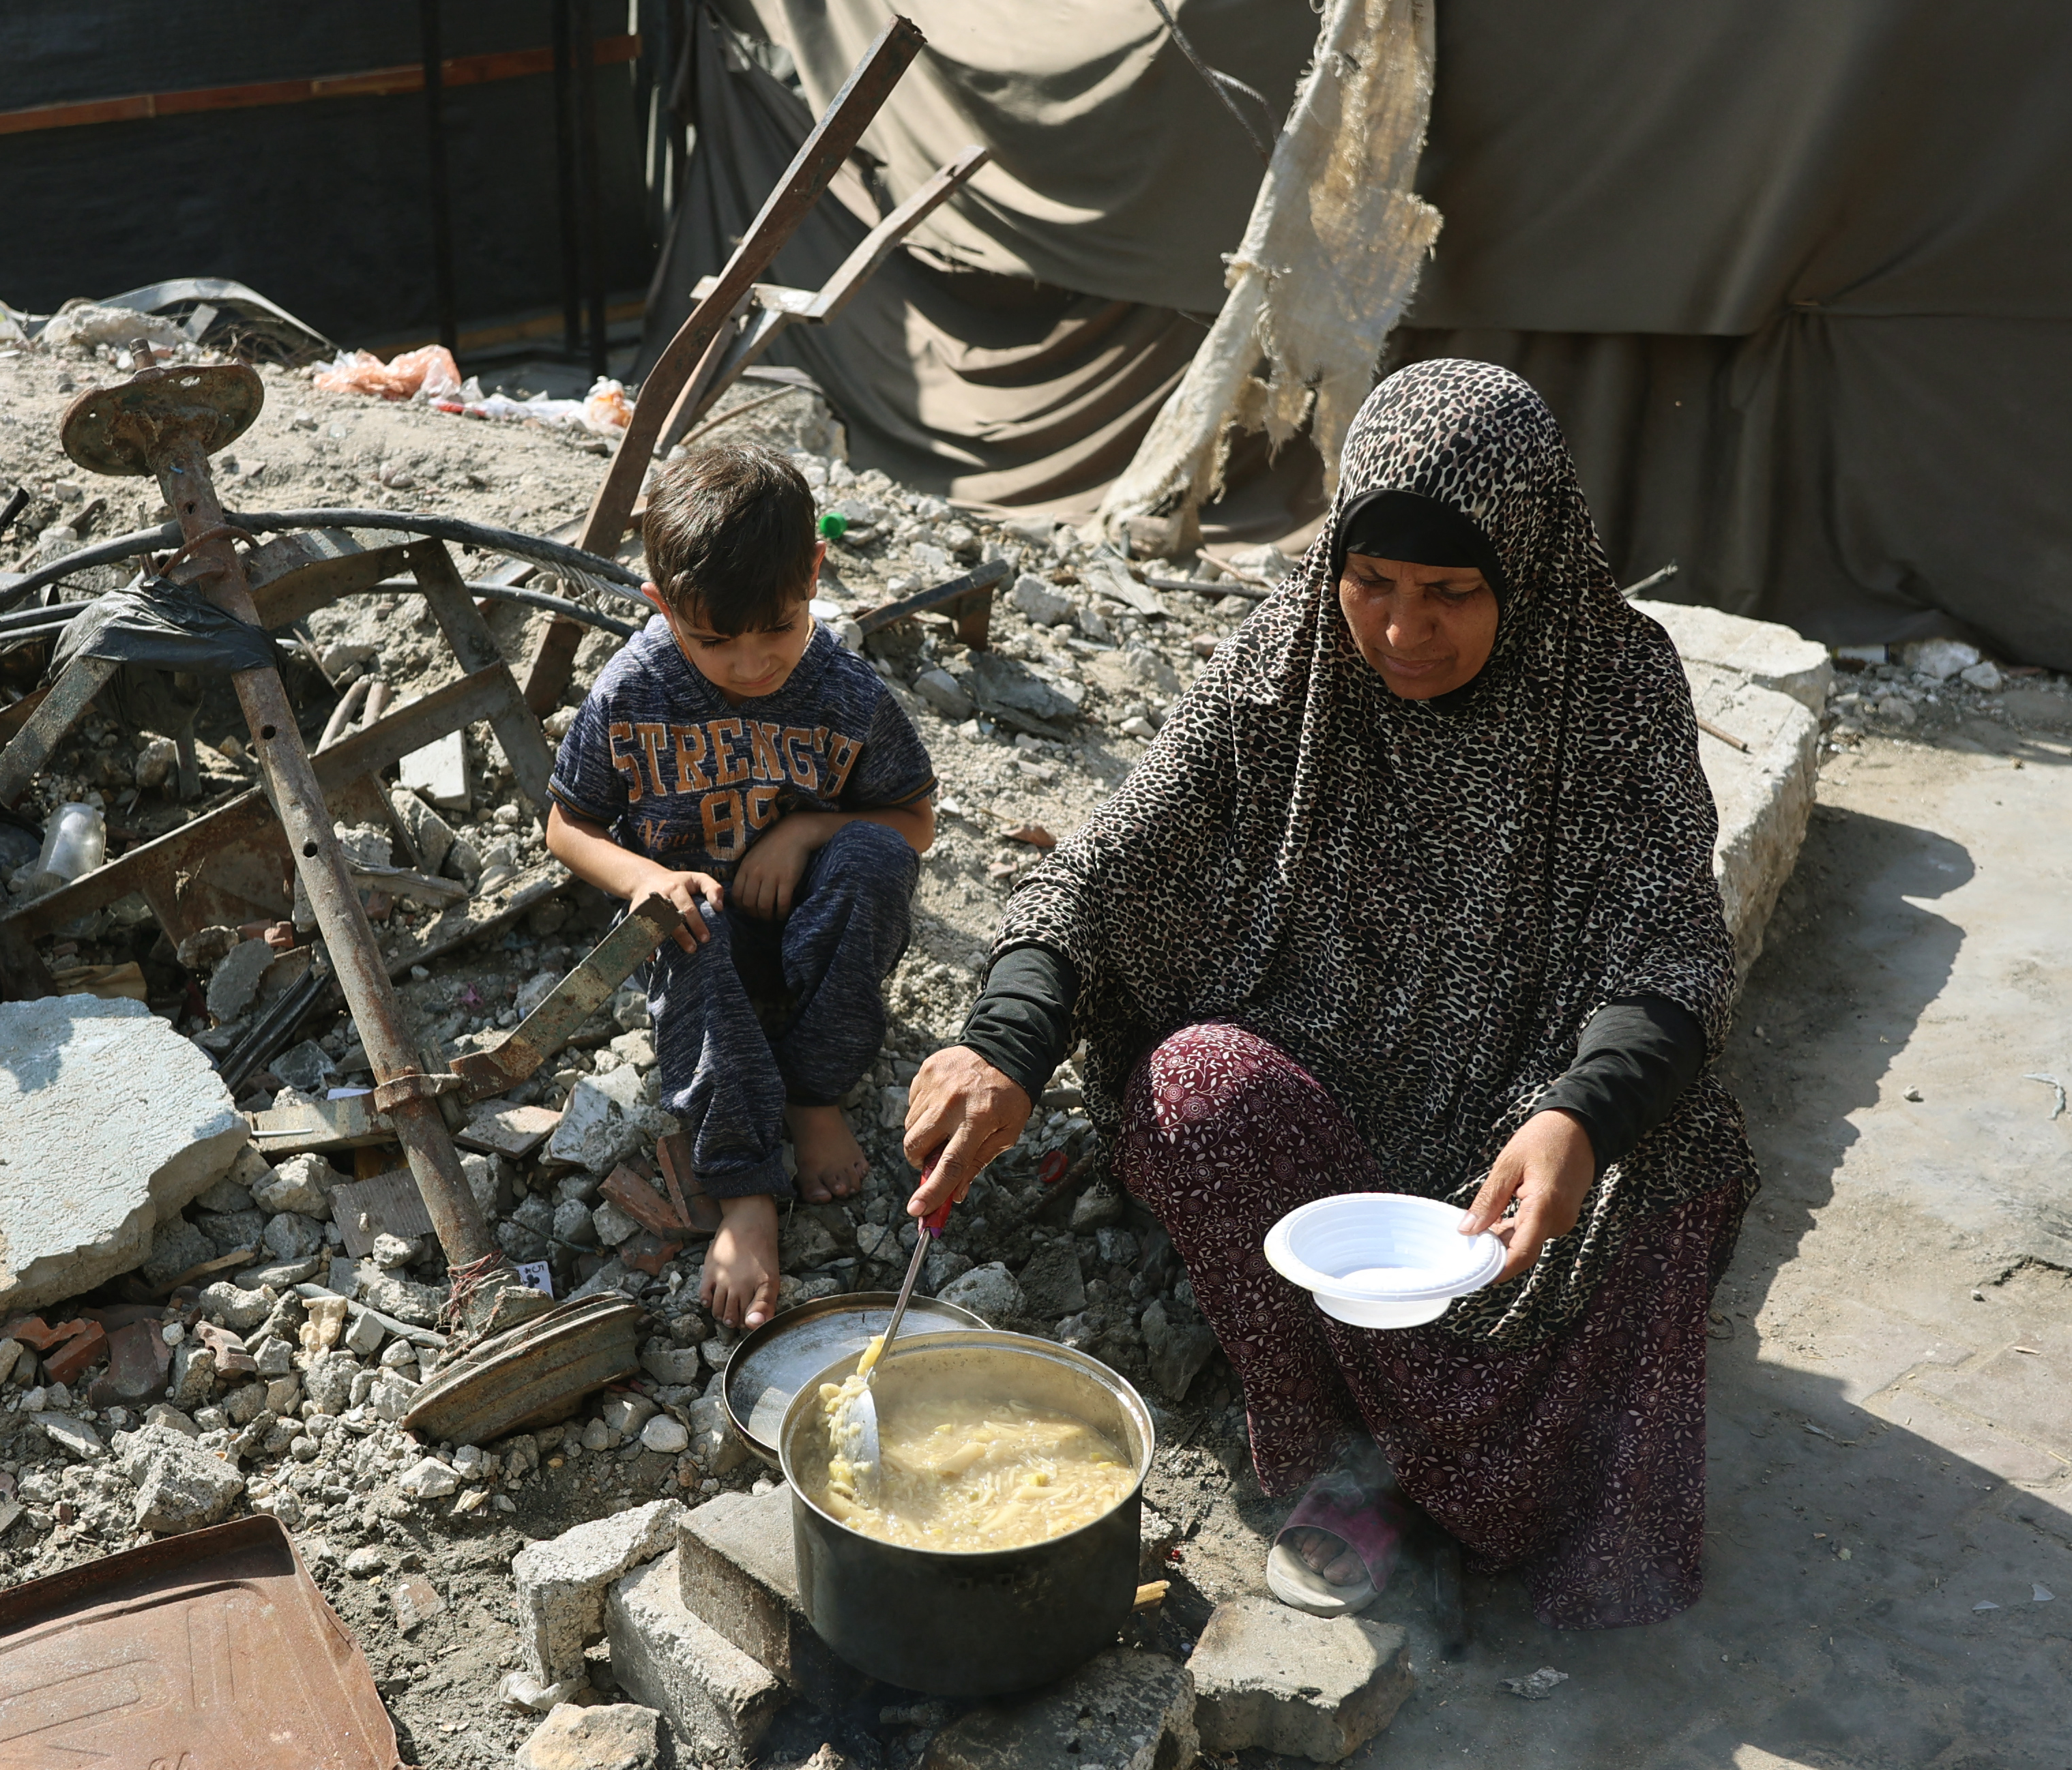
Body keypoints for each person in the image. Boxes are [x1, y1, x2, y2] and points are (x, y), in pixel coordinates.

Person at [903, 360, 1755, 1630]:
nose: (1404, 631)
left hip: (1522, 1109)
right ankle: (1340, 1468)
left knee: (1672, 1146)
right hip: (1321, 1086)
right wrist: (1003, 1041)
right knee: (1195, 1089)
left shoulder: (1613, 686)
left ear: (1522, 569)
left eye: (1453, 593)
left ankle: (1502, 1492)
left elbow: (1672, 946)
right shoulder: (1283, 664)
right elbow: (1108, 861)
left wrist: (1584, 1110)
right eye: (1375, 584)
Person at [546, 444, 937, 1333]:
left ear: (814, 574)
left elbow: (913, 823)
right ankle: (746, 1189)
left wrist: (806, 832)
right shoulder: (634, 691)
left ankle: (814, 1097)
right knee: (690, 921)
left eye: (779, 629)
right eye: (715, 640)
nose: (752, 663)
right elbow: (568, 826)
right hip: (698, 945)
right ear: (662, 607)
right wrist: (649, 878)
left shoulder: (846, 692)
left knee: (872, 863)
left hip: (814, 931)